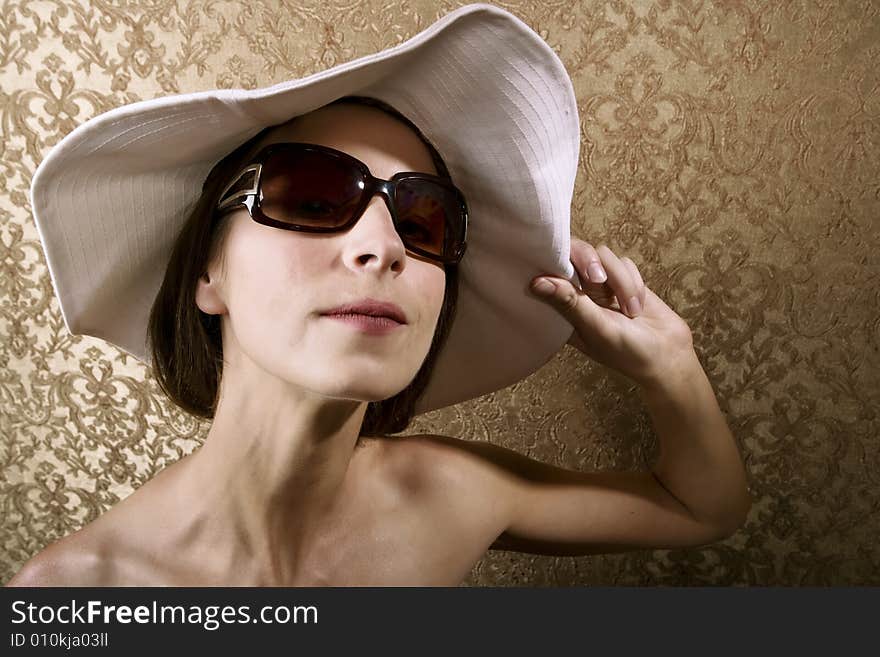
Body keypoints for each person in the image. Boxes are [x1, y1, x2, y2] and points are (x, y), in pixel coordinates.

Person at [7, 4, 750, 586]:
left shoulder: (452, 495)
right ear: (209, 272)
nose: (385, 246)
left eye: (425, 217)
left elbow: (702, 506)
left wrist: (670, 367)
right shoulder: (75, 597)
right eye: (311, 196)